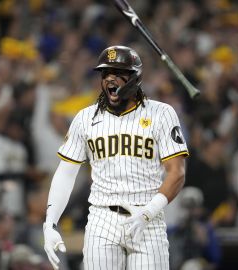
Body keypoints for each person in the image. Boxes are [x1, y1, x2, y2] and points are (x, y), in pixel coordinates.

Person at [43, 45, 189, 269]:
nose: (110, 78)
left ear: (134, 78)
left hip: (147, 216)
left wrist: (149, 213)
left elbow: (177, 172)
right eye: (105, 73)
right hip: (103, 219)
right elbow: (65, 173)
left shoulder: (161, 113)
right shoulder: (85, 118)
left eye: (118, 73)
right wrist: (50, 222)